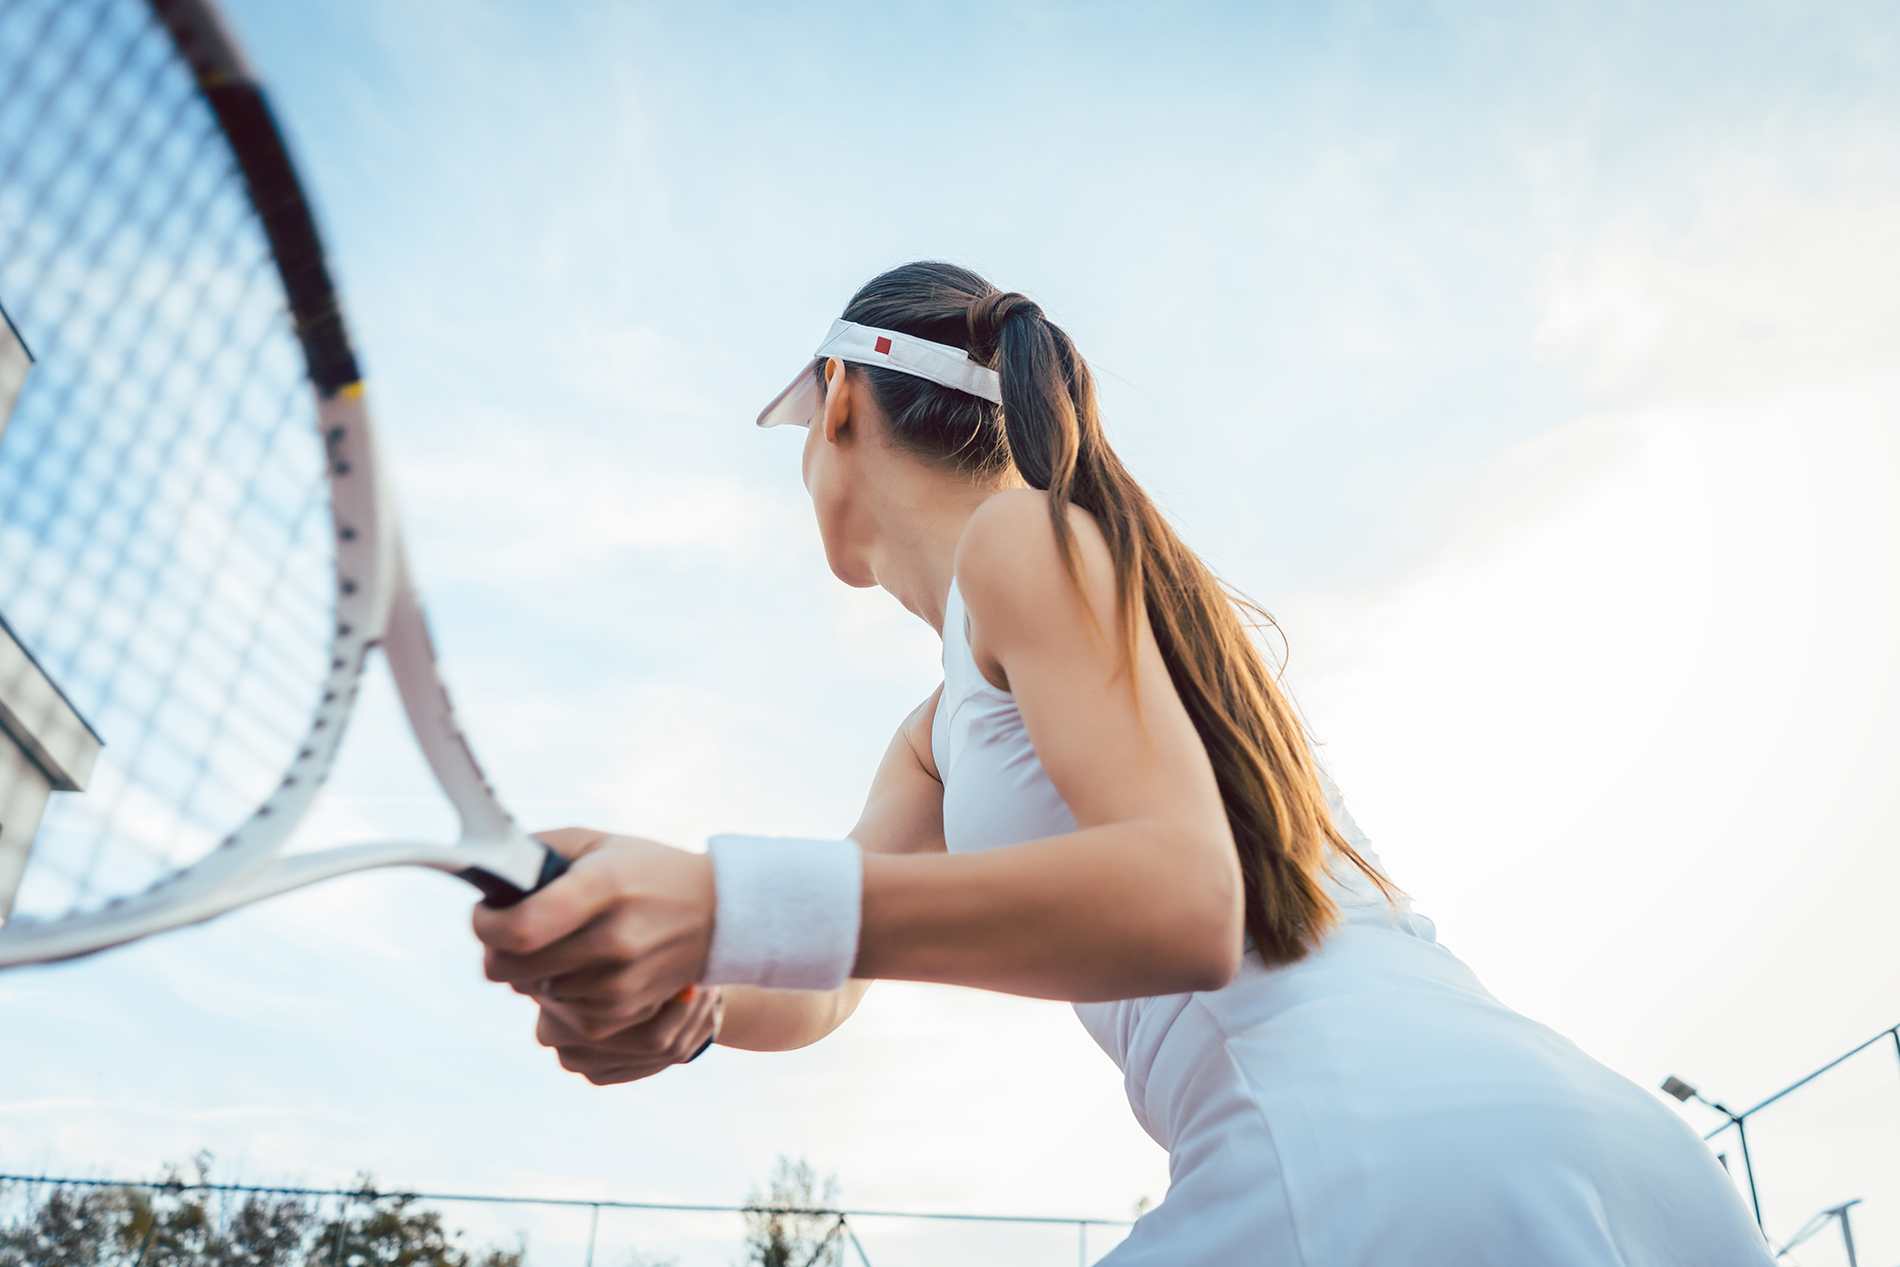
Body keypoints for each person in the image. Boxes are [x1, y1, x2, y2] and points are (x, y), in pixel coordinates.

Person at [473, 262, 1773, 1264]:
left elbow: (1182, 904)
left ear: (845, 402)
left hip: (1364, 1150)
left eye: (795, 424)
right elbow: (828, 980)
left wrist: (716, 900)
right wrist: (684, 993)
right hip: (1617, 1154)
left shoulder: (1015, 546)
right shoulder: (970, 701)